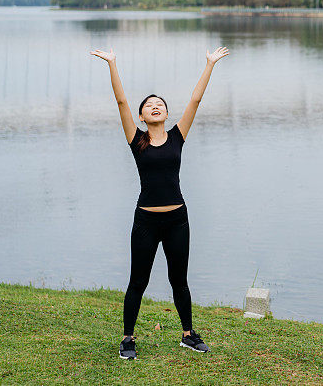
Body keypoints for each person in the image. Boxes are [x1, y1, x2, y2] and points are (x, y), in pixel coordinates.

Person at [90, 45, 230, 360]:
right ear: (142, 116)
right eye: (149, 105)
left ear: (166, 114)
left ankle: (188, 335)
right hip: (146, 222)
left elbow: (195, 100)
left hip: (178, 219)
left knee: (178, 280)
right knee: (137, 280)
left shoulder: (178, 135)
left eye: (160, 104)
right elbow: (121, 101)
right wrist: (112, 63)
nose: (155, 106)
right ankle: (127, 338)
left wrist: (209, 64)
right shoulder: (136, 140)